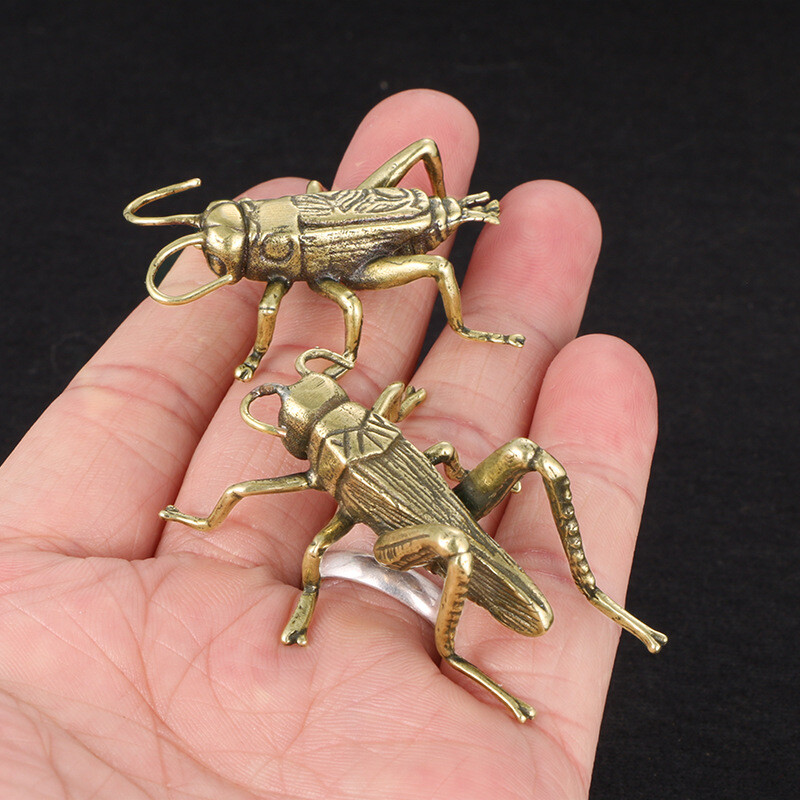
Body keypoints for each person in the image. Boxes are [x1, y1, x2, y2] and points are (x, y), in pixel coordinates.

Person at [0, 90, 659, 799]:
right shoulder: (362, 420)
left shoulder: (333, 450)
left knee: (507, 474)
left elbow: (286, 517)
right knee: (485, 498)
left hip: (438, 518)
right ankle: (557, 609)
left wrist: (241, 538)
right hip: (424, 522)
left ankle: (568, 602)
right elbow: (414, 454)